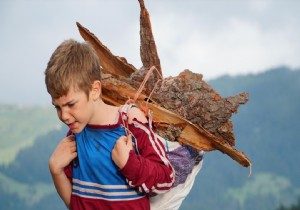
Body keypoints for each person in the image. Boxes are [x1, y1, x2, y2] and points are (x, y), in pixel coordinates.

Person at [45, 39, 175, 210]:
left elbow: (166, 178)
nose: (64, 116)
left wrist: (130, 164)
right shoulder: (74, 137)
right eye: (57, 107)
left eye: (70, 104)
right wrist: (56, 170)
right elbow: (76, 205)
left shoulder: (130, 125)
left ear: (95, 90)